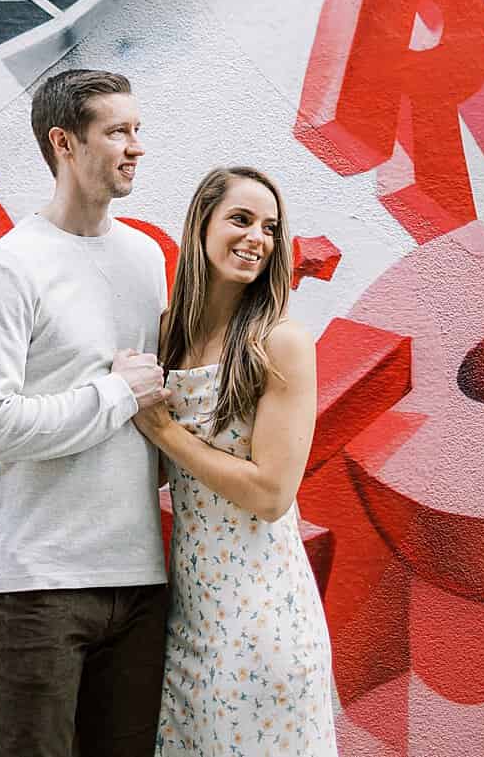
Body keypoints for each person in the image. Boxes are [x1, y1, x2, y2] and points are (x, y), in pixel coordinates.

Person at [0, 67, 172, 756]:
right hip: (39, 586)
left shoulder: (145, 257)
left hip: (140, 580)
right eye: (117, 131)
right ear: (65, 143)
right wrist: (114, 395)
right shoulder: (10, 265)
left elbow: (156, 417)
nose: (136, 145)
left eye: (138, 129)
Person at [133, 165, 336, 754]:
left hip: (264, 618)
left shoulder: (279, 341)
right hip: (191, 618)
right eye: (241, 220)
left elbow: (271, 494)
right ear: (202, 225)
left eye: (270, 228)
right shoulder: (170, 334)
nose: (257, 238)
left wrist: (166, 432)